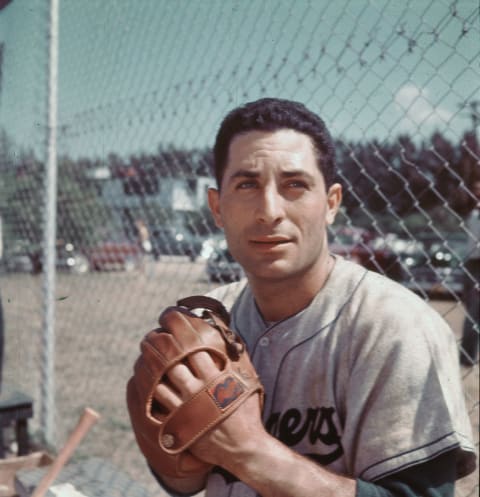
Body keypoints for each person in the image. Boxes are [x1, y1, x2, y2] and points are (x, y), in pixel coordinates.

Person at [149, 98, 476, 497]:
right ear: (217, 208)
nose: (270, 211)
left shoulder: (395, 327)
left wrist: (248, 452)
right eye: (247, 184)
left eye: (295, 185)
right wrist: (172, 452)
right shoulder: (208, 320)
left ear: (331, 204)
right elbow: (182, 480)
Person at [460, 178, 480, 366]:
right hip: (471, 263)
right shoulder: (473, 213)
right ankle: (467, 354)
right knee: (471, 310)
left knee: (474, 312)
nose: (476, 191)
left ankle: (467, 355)